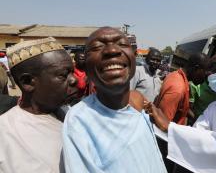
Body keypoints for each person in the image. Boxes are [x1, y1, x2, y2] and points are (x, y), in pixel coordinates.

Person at [62, 27, 167, 173]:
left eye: (122, 44)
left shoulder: (138, 104)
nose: (112, 50)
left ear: (134, 57)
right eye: (97, 46)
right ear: (86, 64)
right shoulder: (79, 120)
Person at [0, 37, 77, 173]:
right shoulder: (5, 132)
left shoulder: (75, 117)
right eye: (63, 75)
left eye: (72, 72)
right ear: (27, 82)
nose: (74, 80)